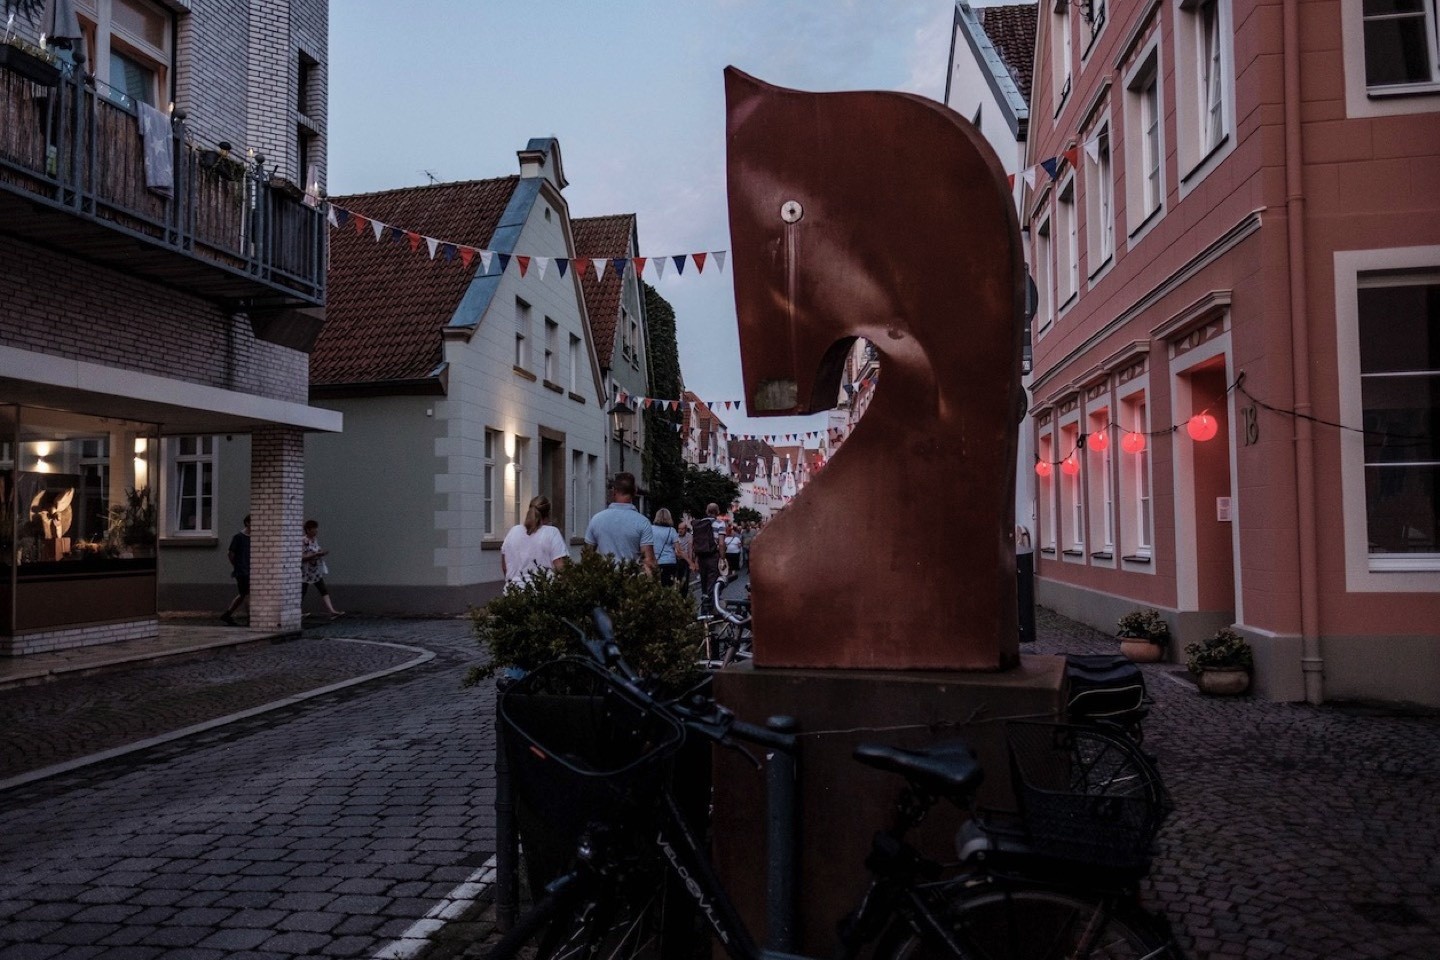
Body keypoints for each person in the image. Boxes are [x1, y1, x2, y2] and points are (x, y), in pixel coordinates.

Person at [583, 472, 656, 574]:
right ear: (634, 492)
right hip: (632, 582)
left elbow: (587, 556)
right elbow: (649, 561)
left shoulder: (597, 519)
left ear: (614, 491)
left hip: (605, 579)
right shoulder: (642, 522)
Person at [501, 496, 569, 588]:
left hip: (513, 594)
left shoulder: (513, 531)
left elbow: (505, 566)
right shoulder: (552, 533)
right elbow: (561, 568)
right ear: (548, 514)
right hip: (542, 594)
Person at [301, 519, 344, 618]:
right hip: (306, 572)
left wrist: (321, 553)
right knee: (302, 591)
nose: (316, 531)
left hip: (315, 571)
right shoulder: (303, 541)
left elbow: (316, 550)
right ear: (308, 530)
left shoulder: (314, 540)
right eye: (314, 529)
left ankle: (331, 610)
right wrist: (315, 554)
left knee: (323, 589)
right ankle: (297, 612)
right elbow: (302, 557)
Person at [693, 502, 725, 610]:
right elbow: (721, 543)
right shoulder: (720, 523)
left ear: (707, 511)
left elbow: (696, 542)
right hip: (713, 555)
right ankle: (713, 606)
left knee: (704, 580)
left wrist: (696, 560)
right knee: (713, 581)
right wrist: (722, 557)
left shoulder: (700, 523)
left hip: (701, 555)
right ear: (718, 512)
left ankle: (704, 604)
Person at [220, 515, 250, 626]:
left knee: (243, 594)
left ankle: (227, 614)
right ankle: (250, 618)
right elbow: (231, 553)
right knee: (247, 594)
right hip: (242, 570)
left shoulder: (253, 537)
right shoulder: (238, 537)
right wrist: (237, 565)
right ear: (247, 523)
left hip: (250, 569)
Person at [651, 508, 684, 590]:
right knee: (668, 587)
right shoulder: (672, 531)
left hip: (655, 562)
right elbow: (678, 550)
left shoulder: (650, 529)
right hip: (669, 562)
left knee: (655, 587)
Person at [674, 520, 698, 596]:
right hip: (676, 560)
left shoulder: (689, 536)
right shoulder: (675, 536)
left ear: (685, 529)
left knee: (685, 579)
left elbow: (690, 548)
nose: (680, 530)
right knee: (676, 578)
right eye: (679, 529)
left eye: (682, 529)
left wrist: (690, 562)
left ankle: (683, 595)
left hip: (685, 560)